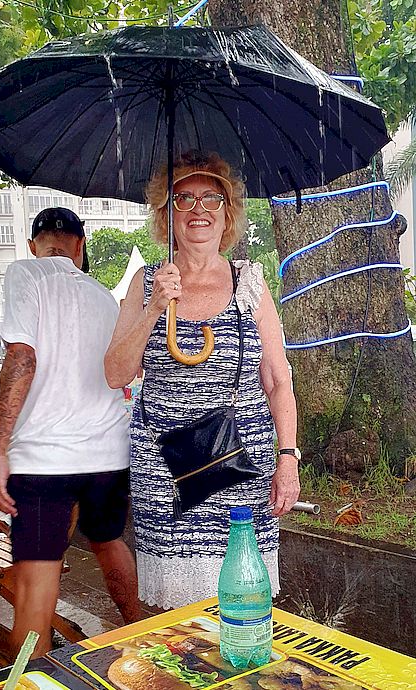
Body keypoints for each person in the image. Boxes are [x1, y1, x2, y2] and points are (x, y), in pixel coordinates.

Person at [105, 151, 300, 610]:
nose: (198, 210)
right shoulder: (145, 282)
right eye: (183, 198)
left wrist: (287, 459)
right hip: (165, 471)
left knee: (242, 598)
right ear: (165, 213)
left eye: (211, 199)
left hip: (240, 465)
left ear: (227, 212)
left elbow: (277, 379)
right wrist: (154, 307)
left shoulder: (249, 280)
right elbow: (116, 373)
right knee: (177, 620)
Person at [0, 207, 142, 659]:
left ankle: (31, 680)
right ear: (79, 246)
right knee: (111, 543)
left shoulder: (25, 274)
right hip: (108, 455)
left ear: (33, 244)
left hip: (43, 460)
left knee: (37, 588)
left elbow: (22, 356)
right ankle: (143, 640)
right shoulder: (103, 296)